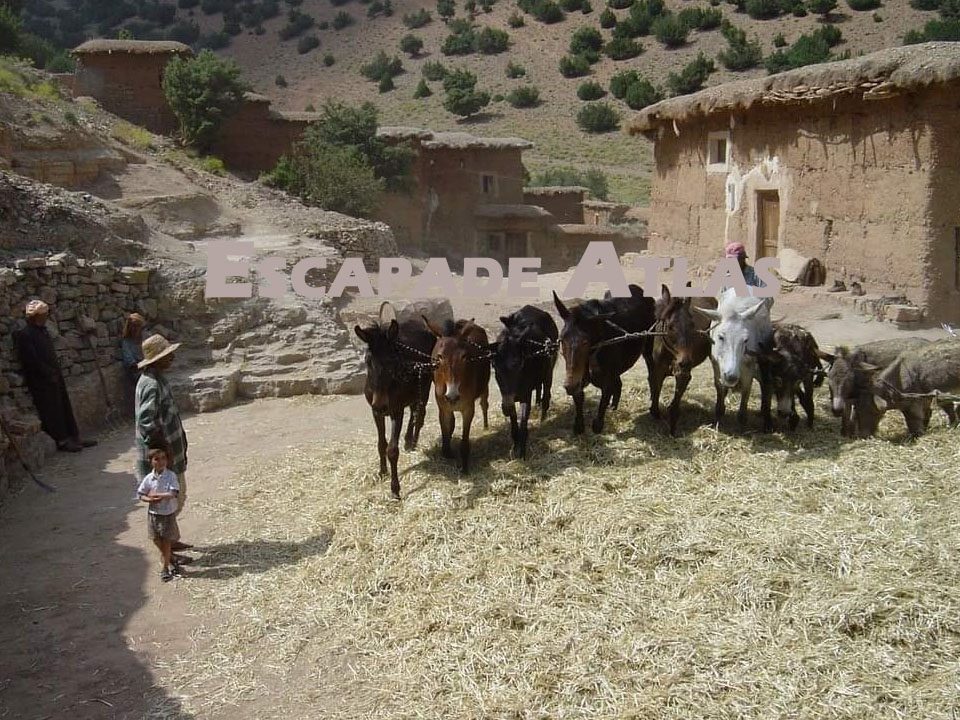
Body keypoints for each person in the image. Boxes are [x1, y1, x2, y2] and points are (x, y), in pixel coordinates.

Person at [135, 333, 193, 555]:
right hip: (162, 458)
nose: (172, 358)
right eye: (167, 355)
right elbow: (146, 421)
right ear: (156, 359)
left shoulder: (156, 379)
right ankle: (166, 551)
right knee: (169, 502)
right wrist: (162, 452)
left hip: (168, 454)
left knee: (174, 500)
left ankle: (170, 540)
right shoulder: (150, 384)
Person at [14, 299, 97, 453]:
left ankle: (74, 436)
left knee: (64, 407)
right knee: (52, 410)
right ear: (36, 316)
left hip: (54, 375)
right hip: (41, 380)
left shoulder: (43, 331)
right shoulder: (25, 335)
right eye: (44, 314)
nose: (46, 317)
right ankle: (62, 440)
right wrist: (46, 373)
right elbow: (31, 360)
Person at [137, 447, 183, 582]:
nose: (161, 462)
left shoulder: (170, 476)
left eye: (164, 458)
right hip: (153, 514)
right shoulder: (149, 478)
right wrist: (149, 499)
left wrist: (158, 495)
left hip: (167, 513)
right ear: (150, 461)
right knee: (155, 538)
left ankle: (165, 568)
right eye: (157, 459)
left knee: (166, 540)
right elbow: (140, 494)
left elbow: (173, 492)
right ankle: (170, 558)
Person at [121, 313, 146, 419]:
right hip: (136, 371)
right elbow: (130, 362)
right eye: (133, 327)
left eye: (137, 326)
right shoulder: (126, 342)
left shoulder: (146, 337)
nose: (135, 330)